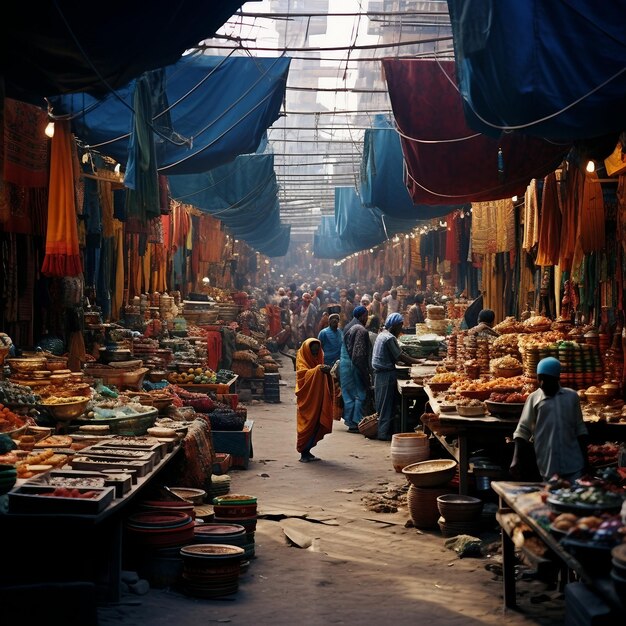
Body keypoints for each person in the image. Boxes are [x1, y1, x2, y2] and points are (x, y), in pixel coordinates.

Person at [509, 357, 589, 482]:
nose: (542, 383)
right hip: (548, 465)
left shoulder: (571, 397)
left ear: (557, 379)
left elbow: (580, 430)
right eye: (540, 379)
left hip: (574, 464)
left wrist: (585, 461)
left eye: (546, 379)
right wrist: (516, 460)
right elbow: (522, 431)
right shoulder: (534, 398)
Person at [372, 312, 422, 441]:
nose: (401, 329)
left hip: (380, 373)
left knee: (383, 404)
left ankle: (387, 431)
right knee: (386, 406)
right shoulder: (389, 338)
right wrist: (420, 362)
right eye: (400, 326)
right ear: (396, 325)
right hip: (386, 374)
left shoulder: (382, 335)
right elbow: (400, 356)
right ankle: (383, 433)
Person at [295, 338, 335, 463]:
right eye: (313, 352)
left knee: (316, 423)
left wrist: (327, 373)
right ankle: (303, 453)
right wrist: (318, 370)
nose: (315, 355)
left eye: (317, 352)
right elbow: (303, 375)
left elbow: (321, 373)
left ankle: (308, 451)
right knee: (307, 424)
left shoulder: (319, 359)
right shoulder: (302, 360)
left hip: (318, 399)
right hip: (308, 401)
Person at [340, 306, 370, 432]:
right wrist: (365, 372)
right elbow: (358, 355)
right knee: (359, 394)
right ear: (363, 316)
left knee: (348, 394)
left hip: (344, 364)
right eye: (366, 315)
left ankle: (349, 420)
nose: (367, 318)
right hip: (353, 365)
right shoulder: (360, 329)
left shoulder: (348, 326)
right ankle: (356, 422)